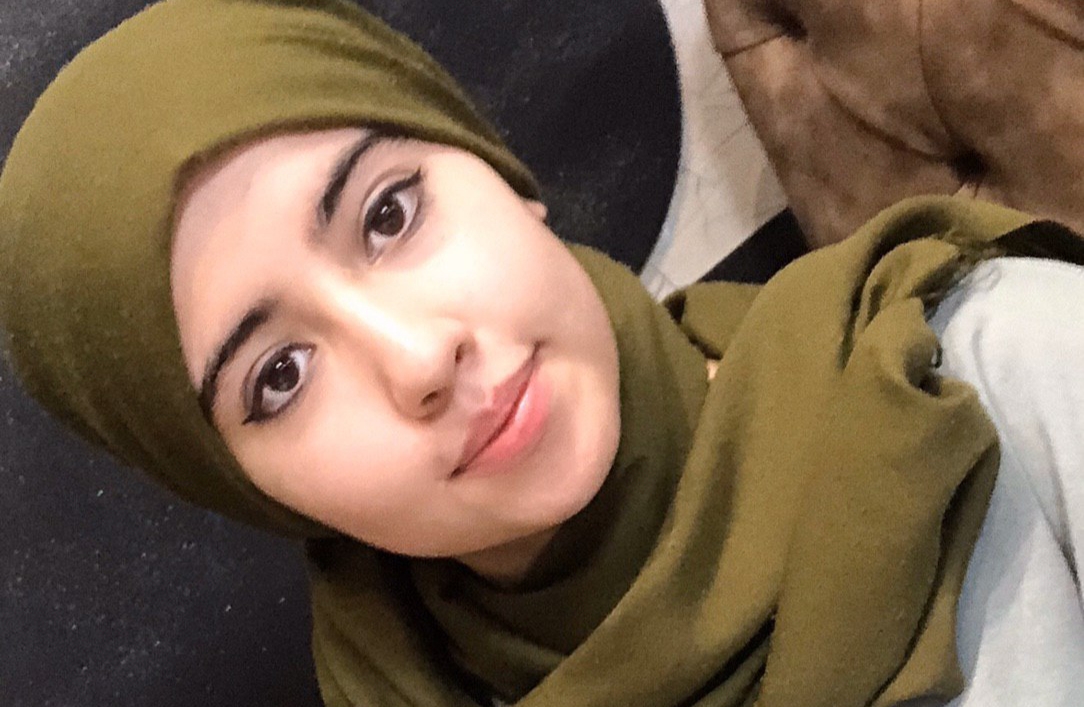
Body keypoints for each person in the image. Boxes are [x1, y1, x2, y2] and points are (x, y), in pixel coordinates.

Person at [1, 1, 1082, 705]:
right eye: (278, 377)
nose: (419, 357)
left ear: (501, 174)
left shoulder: (992, 370)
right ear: (246, 487)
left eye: (388, 213)